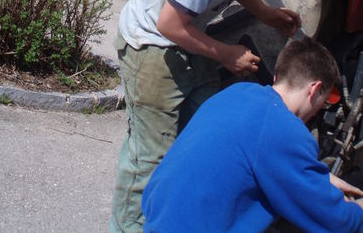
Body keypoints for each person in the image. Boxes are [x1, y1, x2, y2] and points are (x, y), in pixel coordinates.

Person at [109, 0, 341, 232]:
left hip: (187, 41)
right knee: (147, 160)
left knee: (199, 144)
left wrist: (265, 13)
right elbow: (169, 24)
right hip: (150, 45)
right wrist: (225, 54)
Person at [142, 38, 363, 232]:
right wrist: (358, 210)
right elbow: (335, 220)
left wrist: (321, 178)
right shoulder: (285, 130)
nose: (316, 112)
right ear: (314, 90)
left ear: (278, 75)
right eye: (322, 104)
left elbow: (255, 153)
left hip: (159, 220)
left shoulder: (237, 93)